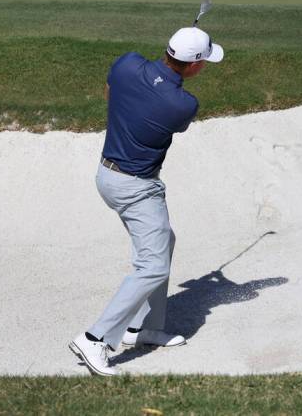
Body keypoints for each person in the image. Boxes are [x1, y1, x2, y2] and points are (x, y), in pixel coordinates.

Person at [69, 26, 224, 376]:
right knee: (152, 265)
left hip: (107, 175)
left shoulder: (127, 65)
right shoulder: (183, 104)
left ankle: (145, 328)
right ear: (195, 66)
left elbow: (112, 93)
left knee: (163, 241)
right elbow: (170, 109)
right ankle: (96, 339)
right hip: (137, 188)